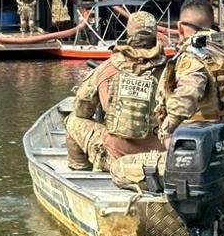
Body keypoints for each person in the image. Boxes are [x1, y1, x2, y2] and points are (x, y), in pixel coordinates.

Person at [156, 0, 224, 186]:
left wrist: (165, 134)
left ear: (181, 27)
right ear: (212, 24)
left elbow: (185, 100)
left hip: (205, 166)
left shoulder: (192, 58)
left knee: (123, 168)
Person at [65, 11, 167, 172]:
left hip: (116, 160)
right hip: (160, 159)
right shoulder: (172, 71)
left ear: (128, 33)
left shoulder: (107, 68)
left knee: (72, 120)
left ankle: (79, 170)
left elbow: (81, 110)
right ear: (155, 35)